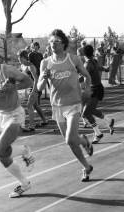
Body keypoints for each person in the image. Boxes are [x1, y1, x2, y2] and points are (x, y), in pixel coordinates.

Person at [37, 29, 94, 182]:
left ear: (64, 44)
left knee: (70, 139)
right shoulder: (45, 63)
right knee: (71, 142)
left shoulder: (73, 59)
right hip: (57, 106)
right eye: (51, 42)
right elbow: (39, 88)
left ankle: (82, 142)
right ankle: (86, 165)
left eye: (56, 42)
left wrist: (87, 89)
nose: (53, 44)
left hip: (73, 104)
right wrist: (43, 78)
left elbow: (86, 75)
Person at [0, 61, 35, 198]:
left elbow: (29, 82)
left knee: (0, 148)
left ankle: (24, 151)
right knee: (2, 155)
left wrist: (13, 87)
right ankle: (25, 184)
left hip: (14, 114)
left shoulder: (7, 70)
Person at [82, 45, 115, 143]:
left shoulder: (87, 64)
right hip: (97, 88)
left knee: (86, 113)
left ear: (84, 54)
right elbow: (101, 68)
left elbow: (83, 78)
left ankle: (98, 133)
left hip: (94, 90)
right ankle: (108, 121)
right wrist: (106, 68)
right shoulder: (94, 61)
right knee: (90, 111)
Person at [17, 50, 47, 132]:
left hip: (36, 87)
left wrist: (34, 90)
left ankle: (32, 126)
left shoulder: (31, 66)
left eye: (19, 58)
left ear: (24, 58)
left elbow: (36, 79)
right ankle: (45, 120)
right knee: (36, 106)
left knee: (29, 105)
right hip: (30, 88)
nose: (18, 59)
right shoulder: (22, 66)